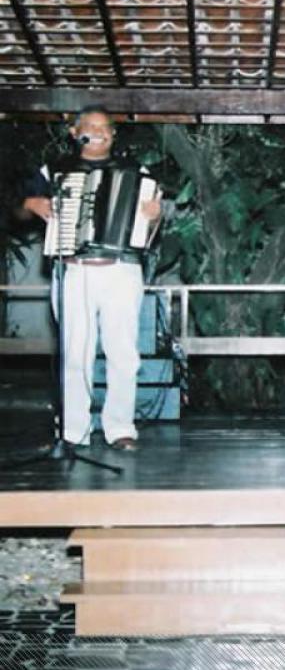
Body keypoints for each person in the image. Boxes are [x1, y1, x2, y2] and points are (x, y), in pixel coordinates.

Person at [18, 106, 161, 451]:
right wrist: (31, 204)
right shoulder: (54, 170)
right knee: (75, 355)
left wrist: (154, 216)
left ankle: (120, 428)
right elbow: (18, 213)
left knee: (123, 353)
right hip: (73, 270)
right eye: (90, 126)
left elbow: (151, 229)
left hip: (121, 269)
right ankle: (74, 431)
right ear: (74, 133)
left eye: (105, 127)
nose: (98, 132)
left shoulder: (135, 171)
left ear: (113, 133)